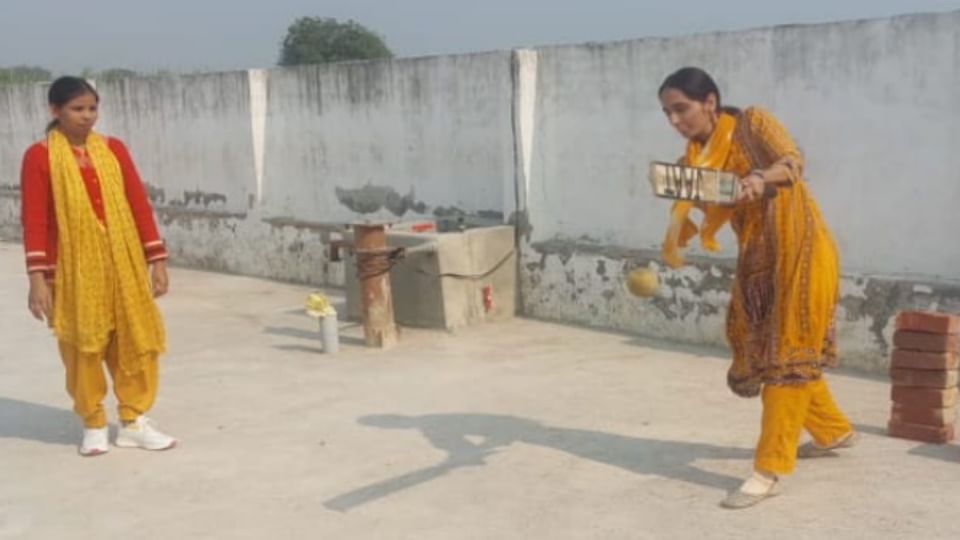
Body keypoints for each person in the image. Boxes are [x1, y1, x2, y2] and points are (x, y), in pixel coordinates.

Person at [656, 67, 857, 508]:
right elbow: (691, 202)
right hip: (759, 257)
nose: (675, 120)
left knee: (787, 353)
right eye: (667, 112)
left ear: (709, 101)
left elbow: (792, 162)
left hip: (802, 249)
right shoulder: (697, 160)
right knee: (768, 347)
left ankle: (769, 469)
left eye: (681, 109)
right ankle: (833, 431)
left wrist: (760, 179)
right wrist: (676, 216)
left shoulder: (753, 123)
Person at [20, 76, 176, 456]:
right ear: (54, 111)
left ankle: (132, 420)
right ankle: (92, 422)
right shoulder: (40, 156)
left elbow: (138, 203)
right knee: (83, 346)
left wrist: (155, 259)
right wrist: (37, 279)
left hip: (122, 265)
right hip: (71, 271)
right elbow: (35, 219)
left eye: (92, 108)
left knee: (134, 340)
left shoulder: (113, 150)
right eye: (77, 109)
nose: (87, 116)